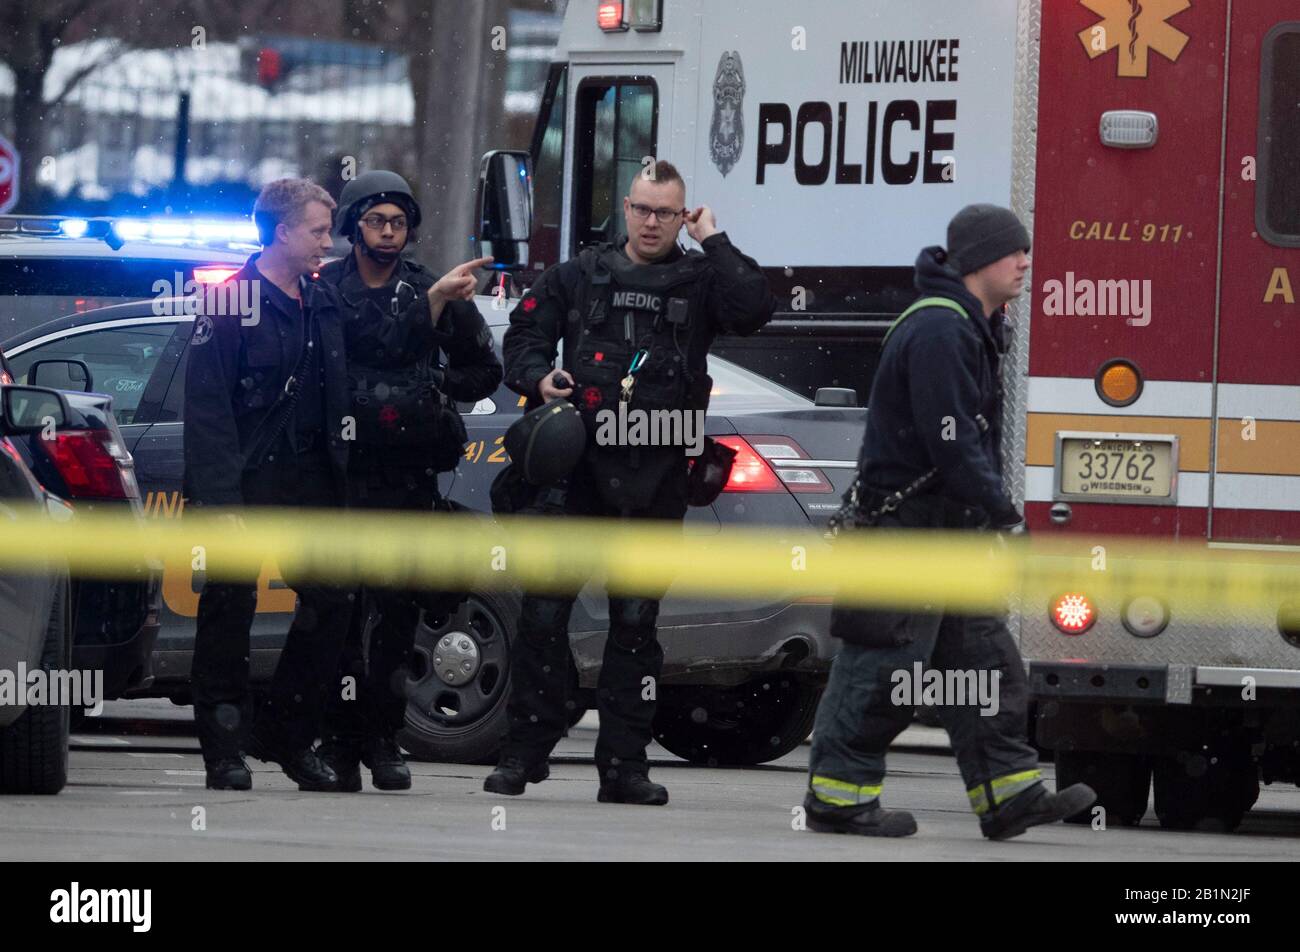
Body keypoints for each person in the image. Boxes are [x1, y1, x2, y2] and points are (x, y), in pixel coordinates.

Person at [485, 159, 777, 805]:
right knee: (542, 619)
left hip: (654, 481)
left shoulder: (702, 280)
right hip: (576, 478)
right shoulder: (579, 275)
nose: (651, 223)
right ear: (625, 208)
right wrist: (538, 378)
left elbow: (755, 308)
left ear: (684, 215)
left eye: (666, 212)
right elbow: (523, 334)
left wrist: (717, 242)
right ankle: (522, 755)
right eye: (643, 209)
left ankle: (623, 768)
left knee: (635, 630)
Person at [804, 204, 1096, 839]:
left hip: (944, 531)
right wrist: (1003, 517)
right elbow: (953, 442)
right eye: (1015, 252)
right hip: (909, 533)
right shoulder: (941, 330)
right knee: (883, 670)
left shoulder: (963, 324)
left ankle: (1008, 795)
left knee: (985, 668)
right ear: (981, 259)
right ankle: (837, 797)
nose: (1025, 263)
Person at [316, 170, 502, 791]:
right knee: (340, 614)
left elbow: (484, 369)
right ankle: (339, 745)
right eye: (376, 221)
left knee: (396, 616)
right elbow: (358, 345)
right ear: (353, 226)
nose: (388, 233)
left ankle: (382, 740)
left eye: (398, 222)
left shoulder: (434, 290)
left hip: (405, 477)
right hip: (340, 476)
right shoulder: (328, 291)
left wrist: (433, 389)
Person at [185, 178, 353, 791]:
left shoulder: (322, 300)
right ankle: (224, 750)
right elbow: (207, 412)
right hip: (246, 484)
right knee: (230, 611)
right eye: (316, 231)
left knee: (332, 601)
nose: (325, 242)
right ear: (281, 231)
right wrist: (221, 505)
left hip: (310, 484)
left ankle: (287, 735)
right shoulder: (230, 303)